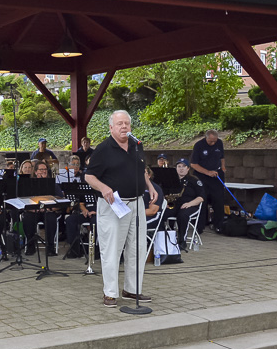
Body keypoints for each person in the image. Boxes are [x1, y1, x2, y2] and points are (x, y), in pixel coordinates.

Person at [85, 110, 157, 306]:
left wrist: (150, 186)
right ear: (111, 127)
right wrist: (103, 187)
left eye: (127, 123)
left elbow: (142, 169)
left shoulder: (136, 144)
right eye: (120, 124)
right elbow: (89, 176)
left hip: (137, 202)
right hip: (113, 205)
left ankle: (132, 290)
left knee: (138, 248)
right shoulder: (103, 149)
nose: (124, 126)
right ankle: (110, 293)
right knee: (112, 249)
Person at [190, 129, 227, 232]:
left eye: (215, 141)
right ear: (206, 138)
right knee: (203, 200)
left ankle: (218, 225)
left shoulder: (219, 143)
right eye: (211, 141)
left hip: (216, 175)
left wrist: (223, 167)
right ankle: (200, 225)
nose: (213, 143)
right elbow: (193, 164)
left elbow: (222, 157)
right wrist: (208, 172)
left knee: (219, 200)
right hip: (203, 176)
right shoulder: (199, 145)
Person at [163, 159, 204, 249]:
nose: (181, 169)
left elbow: (201, 197)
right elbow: (165, 194)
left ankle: (182, 241)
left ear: (188, 168)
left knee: (182, 215)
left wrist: (189, 204)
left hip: (190, 205)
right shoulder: (171, 180)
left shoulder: (194, 180)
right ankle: (163, 238)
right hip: (174, 204)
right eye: (179, 166)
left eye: (184, 166)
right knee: (162, 213)